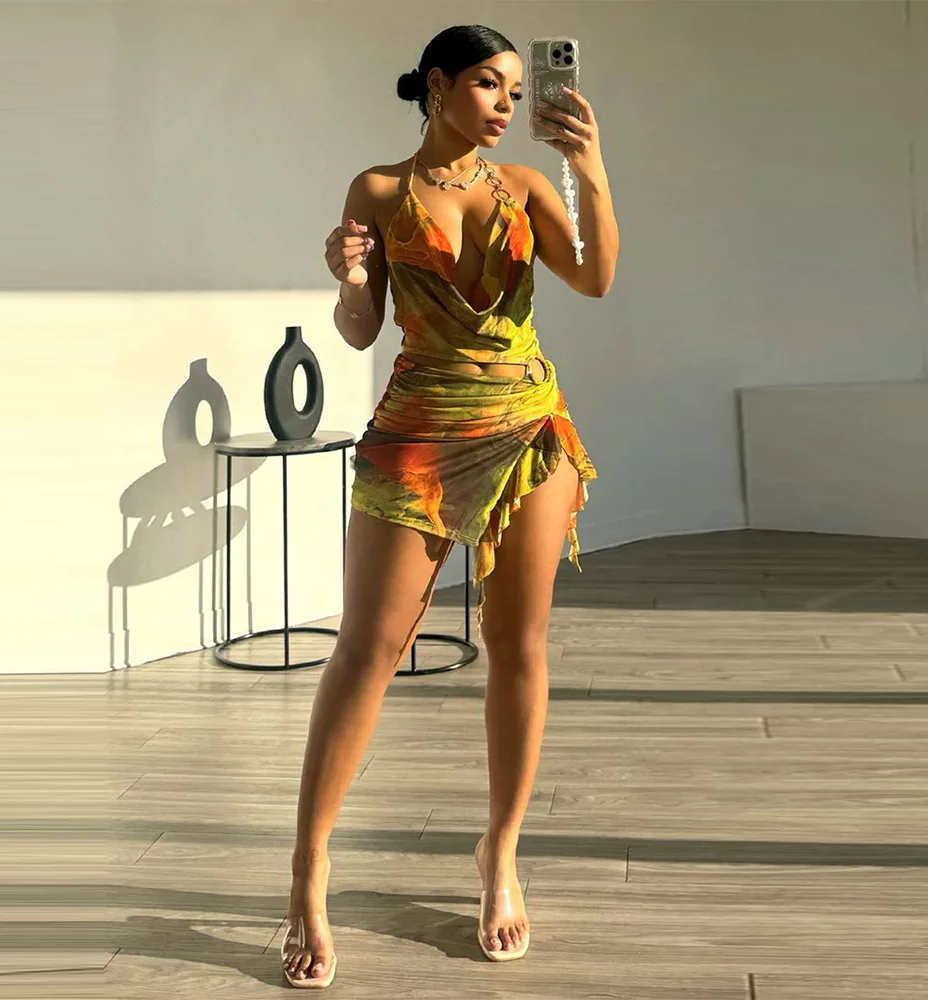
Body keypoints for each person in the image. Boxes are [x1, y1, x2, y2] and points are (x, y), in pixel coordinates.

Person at [281, 23, 619, 988]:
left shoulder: (527, 186)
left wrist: (590, 169)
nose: (506, 102)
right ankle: (308, 868)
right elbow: (360, 330)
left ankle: (499, 852)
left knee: (520, 643)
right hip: (419, 430)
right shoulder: (378, 189)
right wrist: (350, 279)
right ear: (437, 84)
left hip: (527, 425)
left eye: (514, 88)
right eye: (486, 84)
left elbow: (595, 278)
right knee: (367, 648)